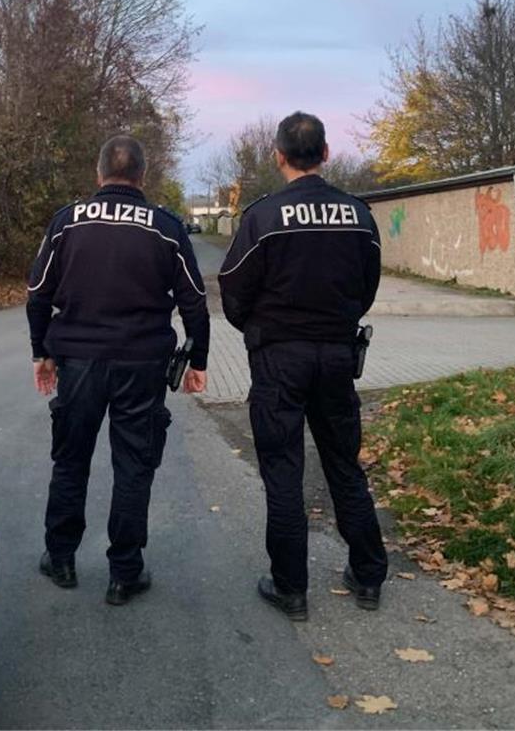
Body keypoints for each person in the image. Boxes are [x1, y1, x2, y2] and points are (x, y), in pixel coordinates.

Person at [217, 112, 388, 621]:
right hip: (337, 356)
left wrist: (258, 329)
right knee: (343, 466)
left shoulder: (263, 217)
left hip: (280, 360)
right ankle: (369, 575)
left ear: (278, 156)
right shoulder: (358, 215)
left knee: (283, 472)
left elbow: (233, 290)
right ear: (327, 153)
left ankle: (291, 589)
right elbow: (367, 287)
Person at [26, 135, 210, 605]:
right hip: (142, 363)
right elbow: (194, 299)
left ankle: (61, 557)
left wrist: (40, 351)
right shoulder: (166, 227)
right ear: (142, 176)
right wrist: (199, 360)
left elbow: (39, 292)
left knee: (71, 460)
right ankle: (125, 572)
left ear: (98, 172)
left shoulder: (67, 222)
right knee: (134, 464)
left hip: (79, 361)